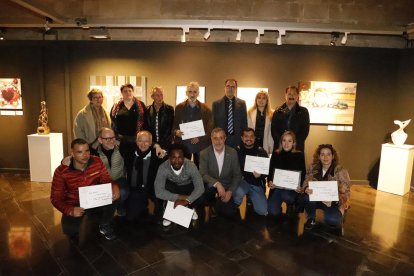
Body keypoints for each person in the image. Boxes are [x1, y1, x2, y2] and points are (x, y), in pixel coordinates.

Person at [50, 138, 120, 241]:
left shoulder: (97, 161)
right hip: (75, 203)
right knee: (70, 230)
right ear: (72, 153)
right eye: (80, 152)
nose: (85, 155)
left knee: (114, 195)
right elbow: (55, 198)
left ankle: (104, 223)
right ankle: (88, 217)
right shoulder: (61, 171)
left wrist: (115, 187)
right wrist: (70, 211)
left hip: (94, 199)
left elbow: (107, 180)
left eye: (87, 150)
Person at [154, 143, 205, 227]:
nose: (177, 161)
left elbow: (200, 187)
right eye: (173, 158)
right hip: (173, 189)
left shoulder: (191, 166)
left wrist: (187, 201)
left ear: (184, 157)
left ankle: (190, 208)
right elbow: (158, 191)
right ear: (169, 158)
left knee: (201, 195)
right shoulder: (163, 167)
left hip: (187, 187)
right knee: (165, 188)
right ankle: (169, 212)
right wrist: (182, 197)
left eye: (180, 157)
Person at [302, 144, 350, 230]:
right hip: (317, 199)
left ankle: (340, 212)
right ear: (319, 156)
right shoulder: (313, 168)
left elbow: (346, 192)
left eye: (328, 154)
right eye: (322, 154)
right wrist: (306, 189)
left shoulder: (341, 170)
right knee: (305, 198)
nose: (325, 157)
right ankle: (311, 218)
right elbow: (305, 181)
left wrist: (335, 199)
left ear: (333, 156)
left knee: (332, 221)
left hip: (333, 202)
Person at [122, 130, 166, 222]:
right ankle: (142, 203)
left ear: (150, 143)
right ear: (136, 142)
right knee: (131, 217)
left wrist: (157, 146)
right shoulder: (130, 152)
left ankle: (159, 211)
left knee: (158, 207)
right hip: (135, 188)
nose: (143, 144)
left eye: (146, 141)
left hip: (151, 187)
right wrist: (155, 144)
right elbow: (123, 140)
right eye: (140, 141)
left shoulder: (157, 154)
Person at [199, 128, 242, 217]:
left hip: (227, 186)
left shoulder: (233, 152)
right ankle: (212, 203)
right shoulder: (204, 153)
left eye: (221, 138)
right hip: (211, 186)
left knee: (229, 213)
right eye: (215, 138)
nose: (218, 141)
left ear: (225, 138)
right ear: (211, 139)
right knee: (206, 192)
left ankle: (219, 203)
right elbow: (202, 174)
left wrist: (230, 192)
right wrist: (217, 184)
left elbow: (237, 175)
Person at [173, 81, 213, 167]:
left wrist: (200, 138)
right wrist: (176, 132)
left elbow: (210, 130)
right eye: (190, 92)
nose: (192, 94)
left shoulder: (206, 109)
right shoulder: (179, 108)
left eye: (195, 92)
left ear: (198, 93)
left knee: (200, 170)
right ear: (186, 93)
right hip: (183, 145)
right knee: (183, 169)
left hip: (200, 146)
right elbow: (174, 127)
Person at [267, 131, 306, 217]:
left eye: (289, 141)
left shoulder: (299, 155)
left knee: (287, 196)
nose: (286, 143)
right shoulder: (276, 154)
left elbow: (303, 174)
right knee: (272, 212)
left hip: (292, 190)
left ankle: (291, 204)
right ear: (281, 142)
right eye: (284, 140)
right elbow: (270, 171)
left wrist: (300, 187)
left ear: (294, 143)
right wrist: (270, 181)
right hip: (277, 188)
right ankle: (278, 205)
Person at [233, 128, 268, 216]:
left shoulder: (262, 152)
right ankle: (236, 202)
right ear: (242, 138)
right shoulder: (236, 151)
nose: (249, 139)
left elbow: (266, 173)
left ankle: (251, 197)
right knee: (238, 193)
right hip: (242, 181)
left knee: (262, 211)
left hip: (256, 183)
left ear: (255, 138)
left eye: (251, 136)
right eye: (246, 136)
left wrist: (260, 176)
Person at [96, 127, 128, 216]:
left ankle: (120, 208)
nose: (111, 141)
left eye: (113, 137)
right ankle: (108, 212)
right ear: (100, 140)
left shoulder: (122, 148)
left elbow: (140, 142)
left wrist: (156, 145)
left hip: (120, 180)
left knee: (122, 193)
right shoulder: (94, 153)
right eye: (107, 139)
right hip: (102, 182)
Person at [111, 84, 146, 155]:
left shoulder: (141, 105)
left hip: (137, 139)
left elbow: (145, 122)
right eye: (125, 91)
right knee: (122, 160)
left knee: (135, 160)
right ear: (122, 93)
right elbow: (113, 122)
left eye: (130, 91)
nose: (128, 93)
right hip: (121, 140)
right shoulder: (116, 106)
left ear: (133, 92)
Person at [271, 86, 310, 152]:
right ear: (285, 95)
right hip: (280, 147)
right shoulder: (277, 111)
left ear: (297, 96)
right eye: (289, 94)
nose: (291, 96)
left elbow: (304, 131)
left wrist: (293, 144)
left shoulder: (304, 112)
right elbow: (274, 130)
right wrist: (282, 143)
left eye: (294, 94)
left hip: (297, 147)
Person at [212, 79, 247, 148]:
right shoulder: (216, 104)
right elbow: (214, 123)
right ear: (224, 88)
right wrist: (214, 138)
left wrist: (244, 138)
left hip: (237, 139)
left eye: (233, 87)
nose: (230, 89)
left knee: (236, 158)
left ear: (236, 89)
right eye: (228, 86)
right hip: (221, 139)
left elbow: (244, 123)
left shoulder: (242, 103)